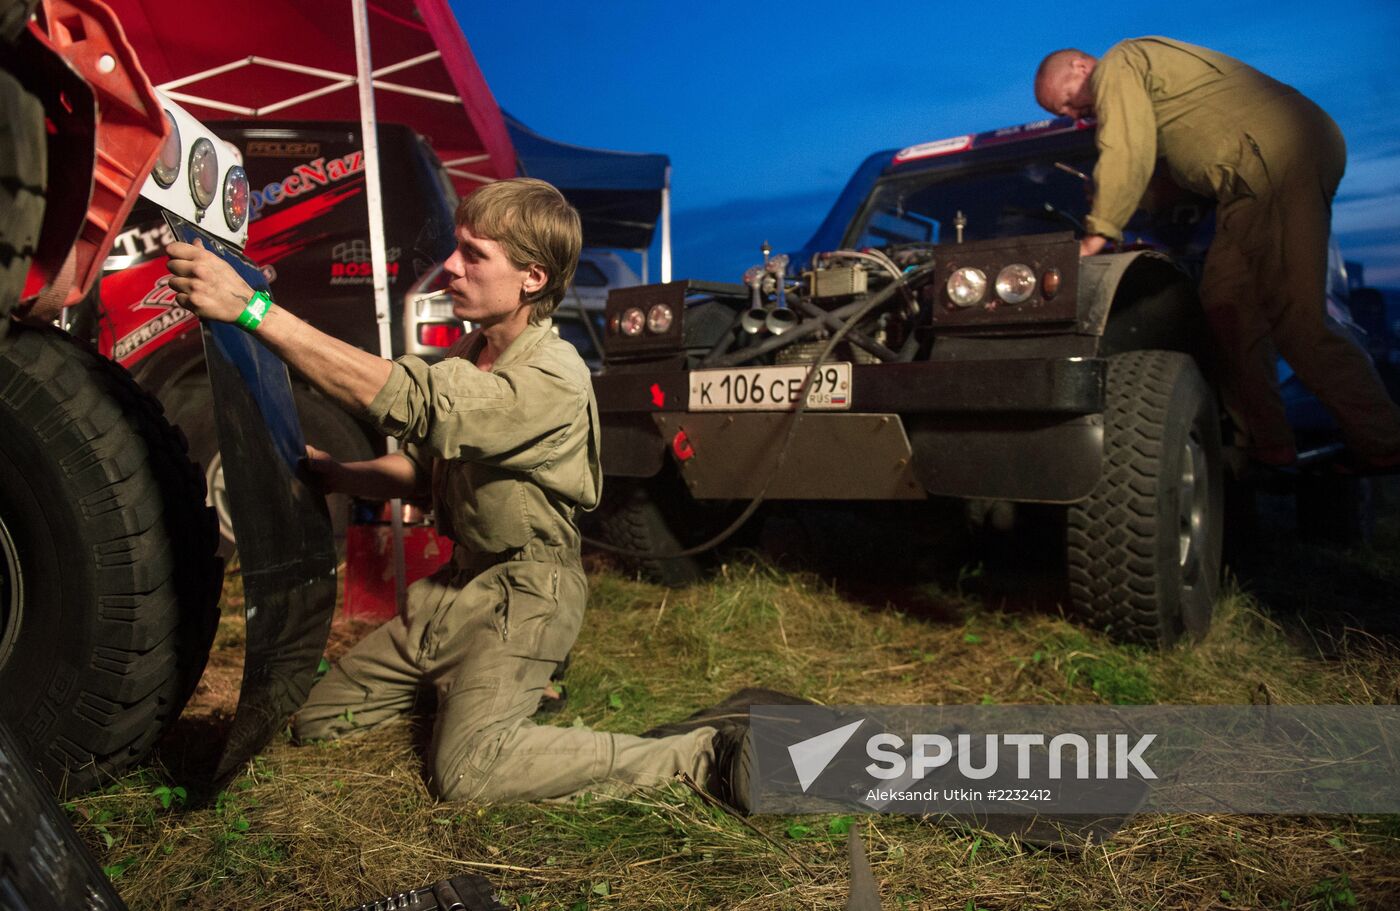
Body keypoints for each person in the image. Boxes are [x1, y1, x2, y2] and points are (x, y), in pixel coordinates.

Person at [164, 177, 756, 807]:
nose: (451, 265)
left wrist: (254, 311)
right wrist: (341, 474)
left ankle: (698, 756)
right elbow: (426, 471)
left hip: (527, 594)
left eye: (475, 254)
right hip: (455, 592)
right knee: (315, 723)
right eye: (457, 246)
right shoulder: (471, 355)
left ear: (531, 277)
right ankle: (480, 684)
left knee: (468, 774)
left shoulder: (552, 378)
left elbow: (416, 403)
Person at [1034, 37, 1400, 472]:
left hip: (1273, 161)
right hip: (1243, 190)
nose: (1076, 116)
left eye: (1068, 104)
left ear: (1080, 67)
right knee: (1226, 309)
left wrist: (1098, 234)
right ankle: (1268, 447)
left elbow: (1125, 146)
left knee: (1296, 320)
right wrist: (1122, 195)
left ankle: (1384, 442)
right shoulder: (1160, 95)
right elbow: (1167, 165)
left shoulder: (1120, 61)